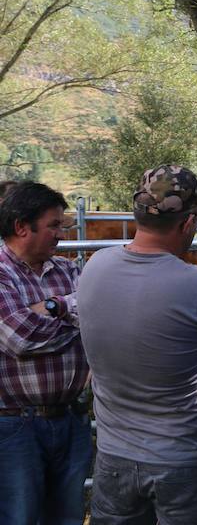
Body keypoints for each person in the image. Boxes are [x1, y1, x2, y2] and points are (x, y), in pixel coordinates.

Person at [78, 164, 197, 524]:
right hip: (185, 460)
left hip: (113, 458)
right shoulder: (195, 284)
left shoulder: (95, 266)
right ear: (187, 223)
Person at [0, 182, 91, 525]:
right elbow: (20, 337)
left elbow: (96, 315)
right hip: (15, 424)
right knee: (19, 516)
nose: (60, 235)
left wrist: (50, 307)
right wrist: (73, 316)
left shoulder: (68, 270)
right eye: (53, 225)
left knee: (67, 515)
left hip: (70, 417)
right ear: (23, 226)